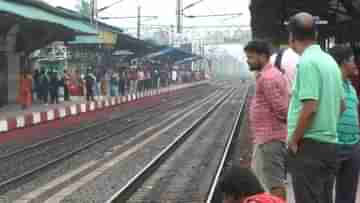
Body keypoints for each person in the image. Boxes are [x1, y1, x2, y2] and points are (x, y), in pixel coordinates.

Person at [286, 12, 345, 203]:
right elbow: (342, 105)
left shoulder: (307, 62)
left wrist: (294, 140)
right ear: (316, 34)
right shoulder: (330, 62)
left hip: (309, 147)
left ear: (292, 37)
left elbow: (310, 107)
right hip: (330, 145)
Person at [245, 40, 289, 200]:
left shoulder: (268, 78)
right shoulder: (270, 75)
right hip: (266, 139)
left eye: (250, 57)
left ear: (263, 56)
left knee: (274, 183)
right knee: (263, 181)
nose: (247, 60)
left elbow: (283, 110)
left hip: (270, 140)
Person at [328, 45, 360, 203]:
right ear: (342, 63)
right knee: (324, 191)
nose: (355, 64)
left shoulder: (350, 87)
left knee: (348, 195)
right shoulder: (331, 85)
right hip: (334, 145)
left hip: (353, 145)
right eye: (353, 60)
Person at [219, 166, 285, 203]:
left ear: (240, 192)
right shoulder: (270, 199)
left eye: (226, 196)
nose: (224, 201)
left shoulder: (253, 202)